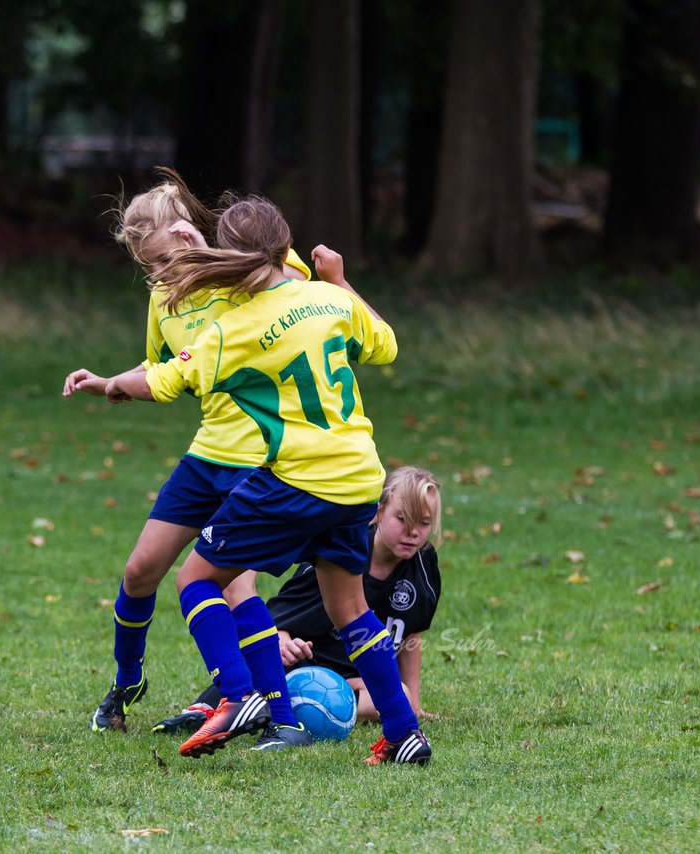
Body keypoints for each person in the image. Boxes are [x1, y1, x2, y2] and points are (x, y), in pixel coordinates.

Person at [106, 195, 432, 765]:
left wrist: (109, 385)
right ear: (286, 246)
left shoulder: (235, 328)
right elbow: (386, 343)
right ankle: (405, 733)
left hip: (295, 480)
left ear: (229, 256)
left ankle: (240, 694)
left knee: (195, 581)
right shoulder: (328, 299)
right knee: (351, 612)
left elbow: (164, 382)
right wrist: (340, 280)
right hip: (359, 478)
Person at [64, 169, 321, 751]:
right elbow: (164, 369)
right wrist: (109, 381)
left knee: (235, 584)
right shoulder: (164, 296)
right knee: (139, 571)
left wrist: (217, 257)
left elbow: (301, 290)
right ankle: (127, 684)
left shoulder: (248, 265)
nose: (155, 275)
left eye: (159, 259)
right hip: (208, 454)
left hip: (263, 456)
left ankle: (275, 716)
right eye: (146, 266)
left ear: (184, 235)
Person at [153, 465, 442, 732]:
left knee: (399, 695)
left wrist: (413, 703)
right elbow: (278, 618)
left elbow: (410, 635)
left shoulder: (424, 564)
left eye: (424, 523)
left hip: (357, 675)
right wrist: (282, 639)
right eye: (402, 519)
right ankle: (224, 707)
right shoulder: (341, 557)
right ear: (378, 512)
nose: (413, 532)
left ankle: (281, 705)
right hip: (303, 665)